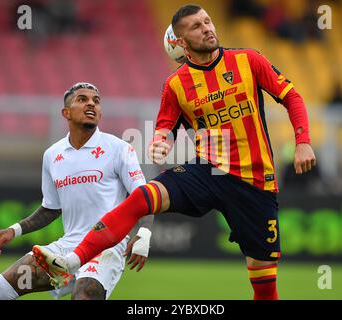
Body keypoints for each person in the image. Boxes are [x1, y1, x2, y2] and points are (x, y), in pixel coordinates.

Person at [32, 5, 316, 300]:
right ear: (180, 42)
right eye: (196, 26)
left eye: (207, 21)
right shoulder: (177, 84)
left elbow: (291, 96)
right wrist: (160, 141)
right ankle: (72, 260)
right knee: (142, 198)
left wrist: (303, 141)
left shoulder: (248, 60)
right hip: (209, 170)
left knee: (265, 285)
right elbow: (165, 126)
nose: (207, 28)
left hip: (255, 183)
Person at [0, 82, 153, 300]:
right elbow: (51, 209)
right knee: (1, 286)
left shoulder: (120, 149)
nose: (91, 103)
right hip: (65, 248)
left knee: (83, 296)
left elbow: (146, 196)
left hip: (104, 248)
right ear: (66, 113)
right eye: (82, 99)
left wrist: (144, 233)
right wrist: (14, 230)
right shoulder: (52, 155)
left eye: (96, 100)